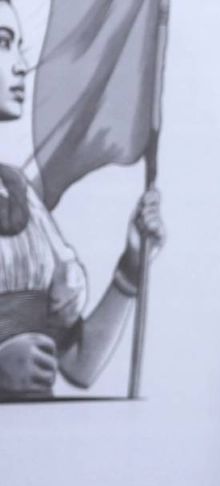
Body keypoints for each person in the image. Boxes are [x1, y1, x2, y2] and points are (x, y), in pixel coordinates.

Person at [0, 0, 164, 400]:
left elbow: (78, 364)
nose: (21, 64)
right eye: (3, 44)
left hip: (40, 446)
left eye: (18, 44)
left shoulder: (21, 194)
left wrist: (131, 267)